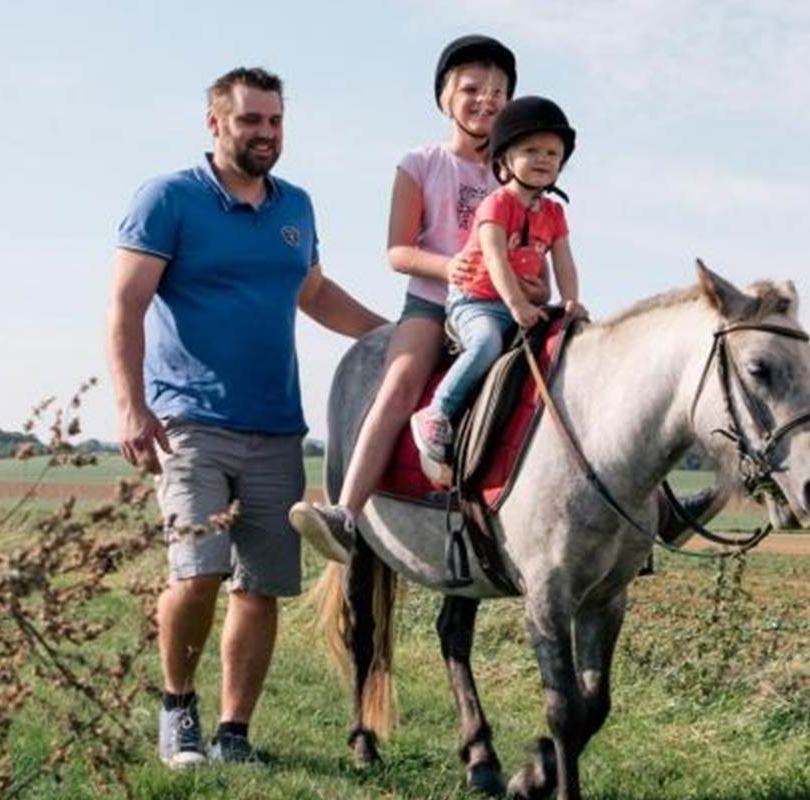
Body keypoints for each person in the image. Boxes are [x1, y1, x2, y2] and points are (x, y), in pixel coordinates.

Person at [107, 66, 384, 768]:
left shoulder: (296, 207)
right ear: (215, 124)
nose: (265, 133)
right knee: (197, 573)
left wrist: (394, 336)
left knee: (260, 587)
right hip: (188, 421)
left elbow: (314, 294)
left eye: (275, 121)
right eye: (249, 120)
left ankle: (234, 733)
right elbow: (126, 306)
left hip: (277, 425)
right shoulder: (168, 199)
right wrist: (130, 405)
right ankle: (178, 709)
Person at [287, 35, 529, 561]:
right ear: (445, 95)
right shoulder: (420, 164)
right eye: (472, 88)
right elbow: (398, 250)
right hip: (433, 303)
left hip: (503, 303)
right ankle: (346, 514)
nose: (486, 100)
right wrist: (452, 267)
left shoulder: (516, 173)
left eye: (499, 91)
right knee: (398, 385)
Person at [410, 95, 585, 463]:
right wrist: (518, 304)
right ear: (505, 159)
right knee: (487, 343)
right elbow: (494, 259)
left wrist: (570, 301)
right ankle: (437, 411)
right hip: (475, 300)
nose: (543, 159)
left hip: (519, 304)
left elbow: (564, 261)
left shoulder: (553, 213)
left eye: (553, 154)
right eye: (531, 150)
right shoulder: (496, 204)